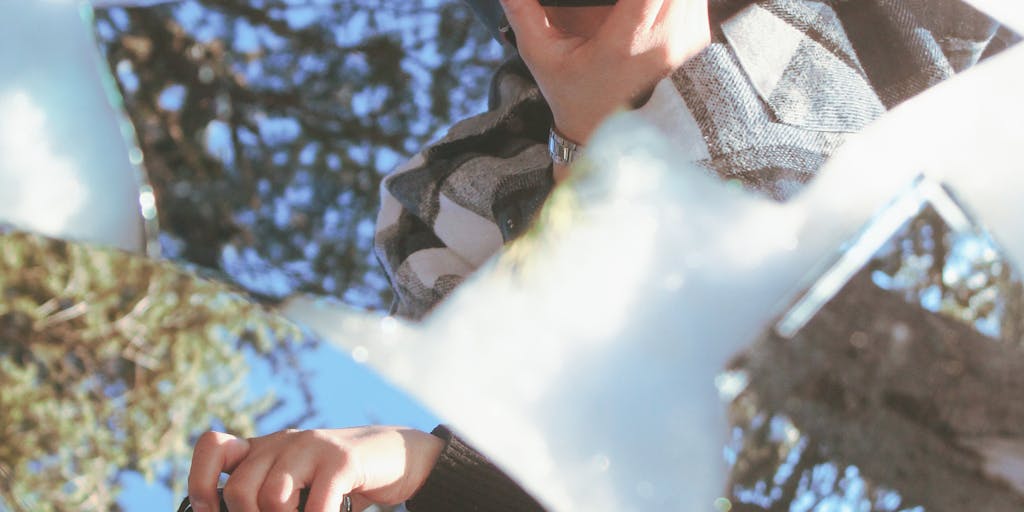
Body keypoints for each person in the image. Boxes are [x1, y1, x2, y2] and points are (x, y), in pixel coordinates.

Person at [187, 0, 1016, 510]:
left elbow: (930, 330)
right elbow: (608, 459)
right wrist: (425, 466)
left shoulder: (927, 25)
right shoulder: (450, 196)